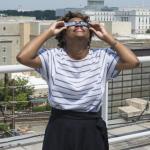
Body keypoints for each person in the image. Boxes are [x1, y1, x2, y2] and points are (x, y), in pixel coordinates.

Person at [16, 11, 140, 150]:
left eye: (83, 24)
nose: (78, 25)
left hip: (91, 125)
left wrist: (109, 38)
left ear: (90, 33)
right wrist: (48, 32)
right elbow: (23, 57)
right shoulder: (51, 56)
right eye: (73, 24)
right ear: (63, 33)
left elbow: (133, 62)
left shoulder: (103, 56)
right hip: (60, 125)